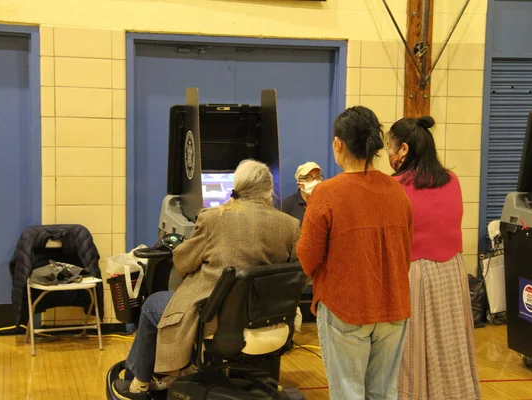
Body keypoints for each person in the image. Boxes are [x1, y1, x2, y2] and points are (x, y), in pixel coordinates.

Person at [112, 159, 301, 400]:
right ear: (269, 189)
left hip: (214, 320)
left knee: (152, 306)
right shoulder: (290, 225)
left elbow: (183, 263)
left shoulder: (214, 218)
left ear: (238, 185)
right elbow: (297, 276)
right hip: (269, 321)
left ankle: (139, 383)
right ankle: (176, 370)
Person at [296, 106, 413, 400]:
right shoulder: (398, 190)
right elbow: (405, 250)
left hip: (346, 307)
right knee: (384, 393)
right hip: (393, 305)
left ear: (338, 144)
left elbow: (308, 257)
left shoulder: (326, 193)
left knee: (348, 393)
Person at [387, 116, 481, 400]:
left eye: (390, 147)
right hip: (452, 271)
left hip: (414, 272)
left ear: (403, 149)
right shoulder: (452, 180)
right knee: (450, 344)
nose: (388, 154)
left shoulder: (397, 187)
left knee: (411, 350)